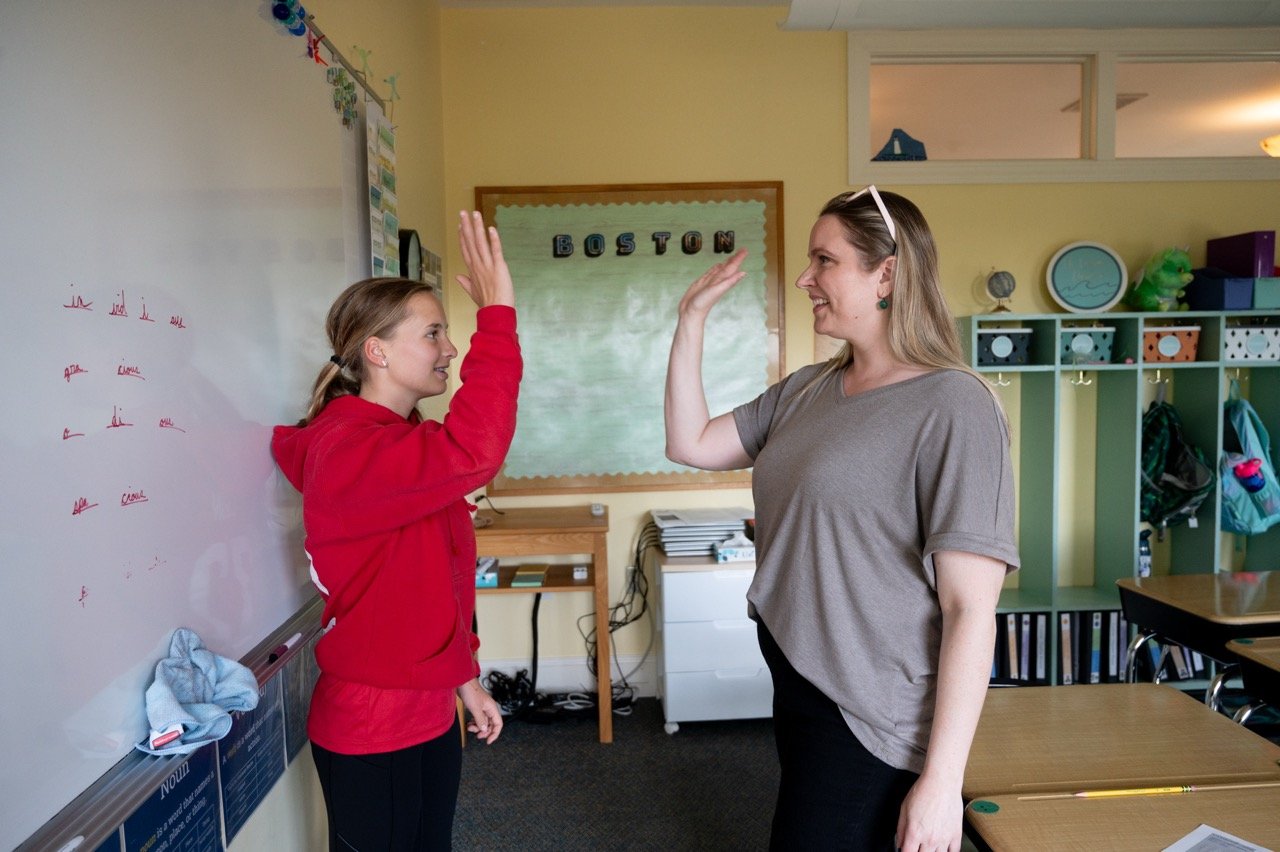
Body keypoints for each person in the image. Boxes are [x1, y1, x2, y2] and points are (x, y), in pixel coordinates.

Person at [664, 187, 1018, 851]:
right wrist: (690, 322)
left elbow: (971, 610)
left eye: (823, 260)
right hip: (802, 680)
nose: (805, 279)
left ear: (886, 272)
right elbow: (691, 443)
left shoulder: (955, 406)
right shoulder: (808, 389)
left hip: (872, 706)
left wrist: (943, 782)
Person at [272, 211, 521, 851]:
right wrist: (497, 316)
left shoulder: (401, 445)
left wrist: (463, 676)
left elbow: (429, 581)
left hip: (427, 710)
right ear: (376, 352)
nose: (450, 347)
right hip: (371, 723)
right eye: (433, 332)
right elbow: (476, 449)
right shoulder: (348, 453)